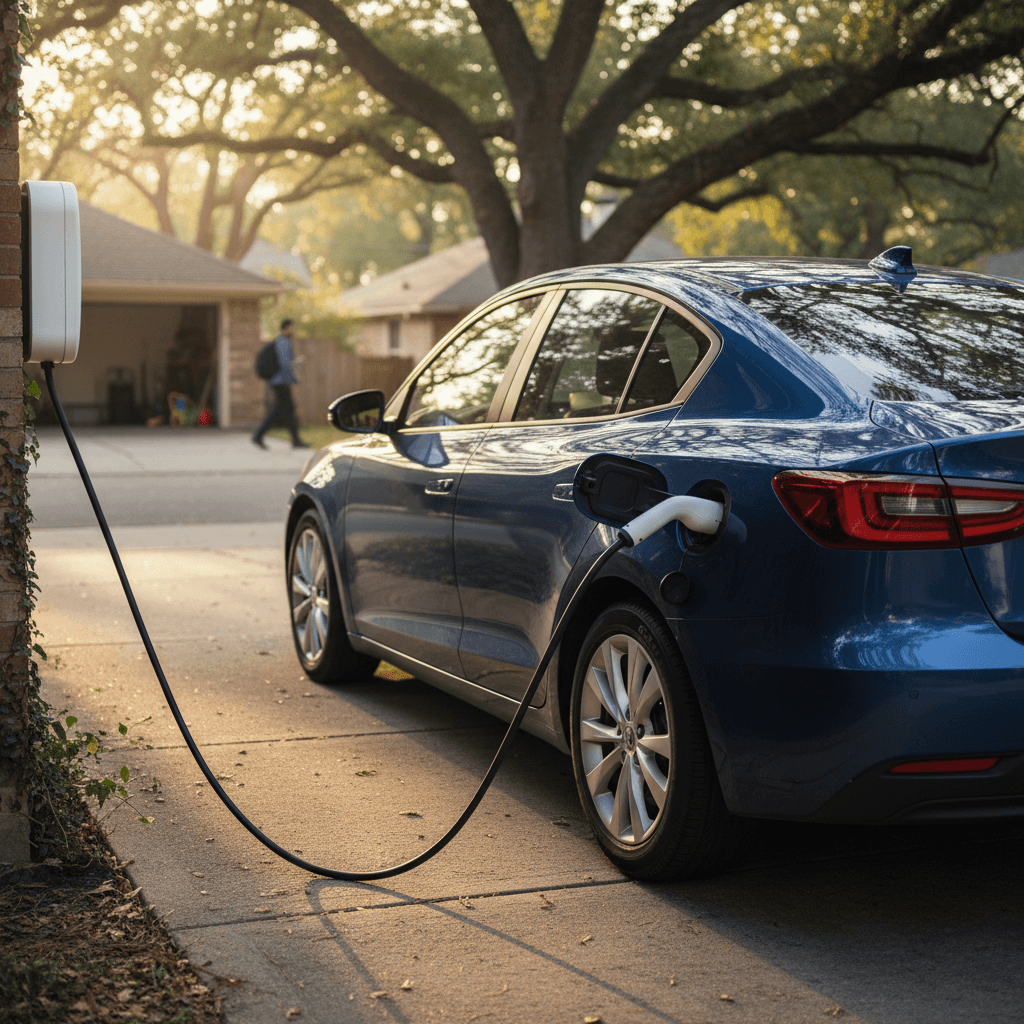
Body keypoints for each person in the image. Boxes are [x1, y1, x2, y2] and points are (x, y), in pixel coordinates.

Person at [252, 318, 309, 449]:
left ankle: (295, 440)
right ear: (287, 328)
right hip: (280, 381)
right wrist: (293, 379)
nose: (294, 330)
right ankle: (259, 435)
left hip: (278, 380)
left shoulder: (280, 341)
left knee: (286, 409)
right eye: (293, 327)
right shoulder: (283, 341)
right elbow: (285, 364)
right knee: (282, 408)